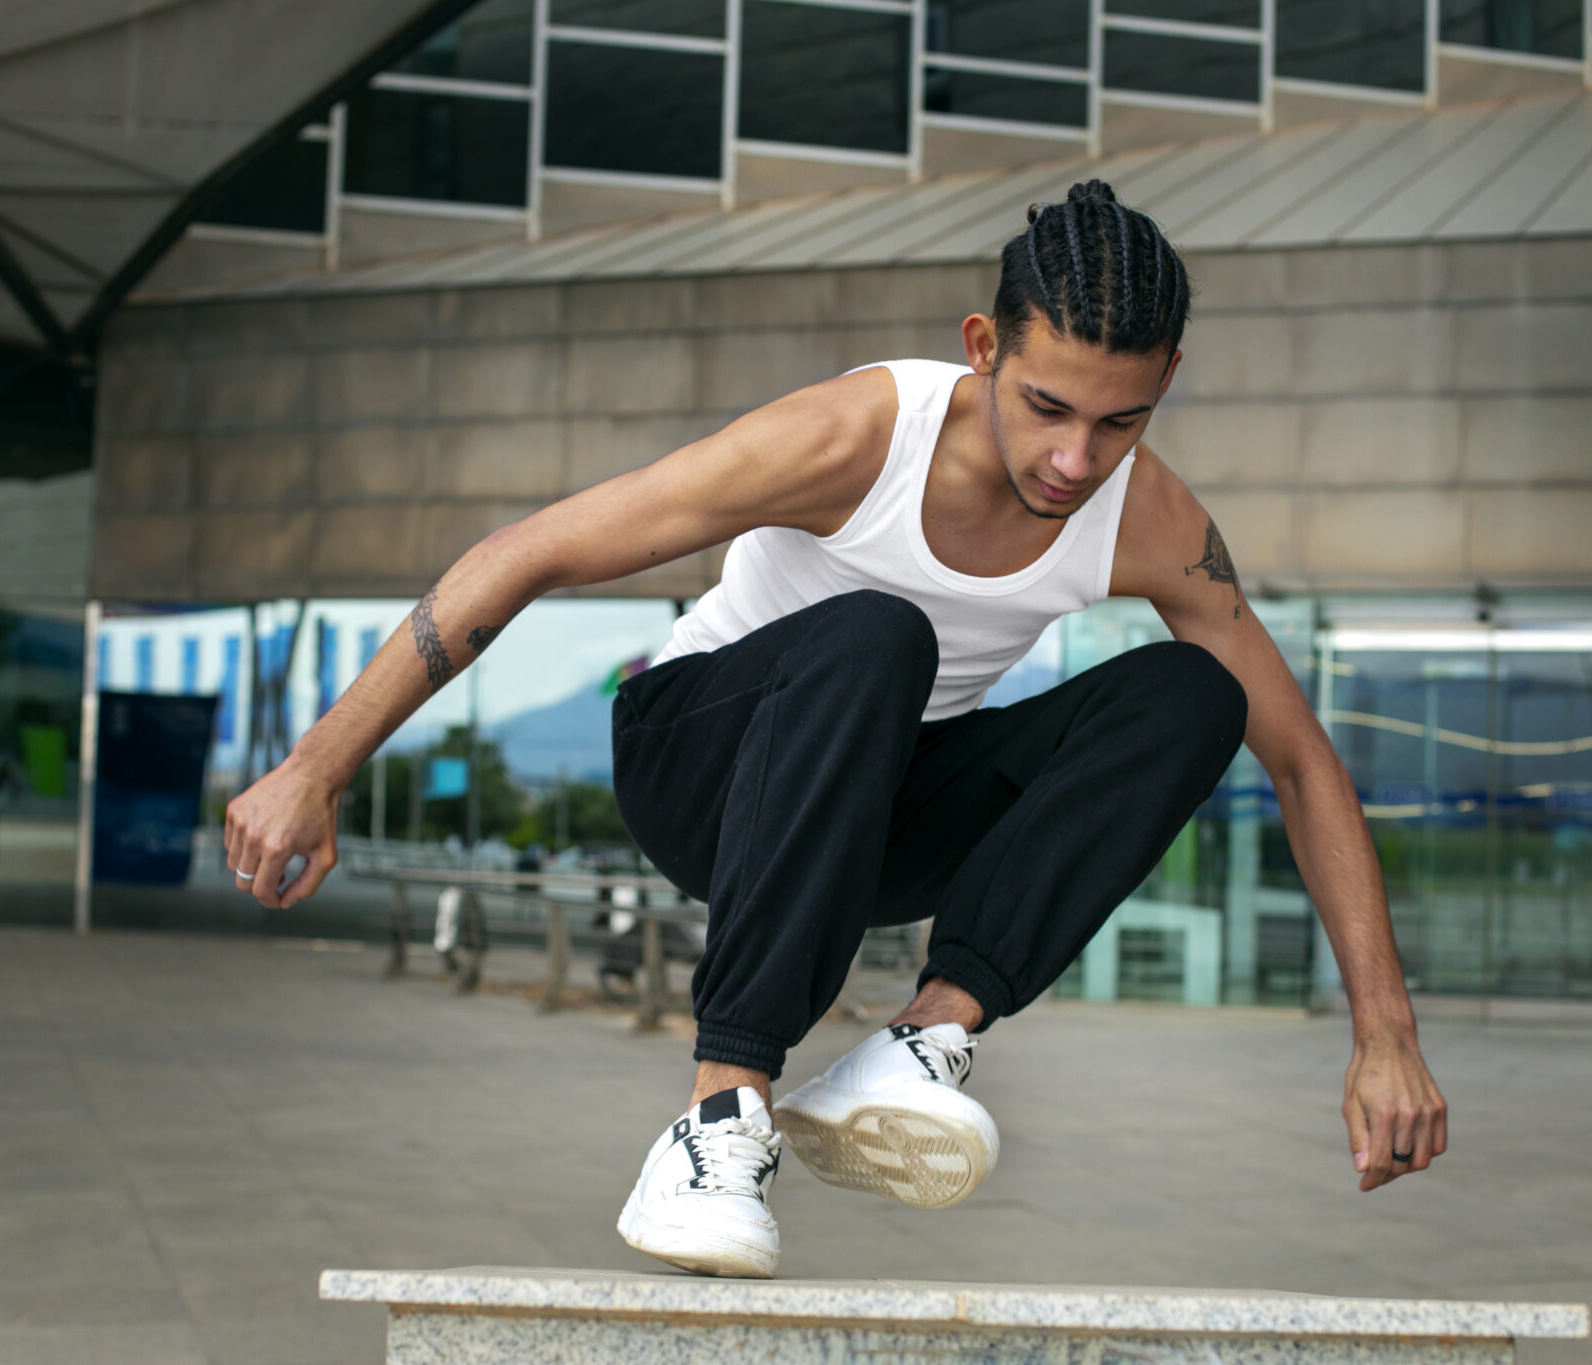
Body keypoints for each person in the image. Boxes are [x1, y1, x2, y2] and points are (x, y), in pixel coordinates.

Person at [225, 180, 1447, 1279]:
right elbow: (530, 553)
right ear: (981, 350)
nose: (1075, 460)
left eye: (1117, 423)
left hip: (867, 822)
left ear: (1163, 383)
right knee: (881, 634)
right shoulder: (854, 438)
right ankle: (713, 1125)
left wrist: (1382, 1038)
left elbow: (1301, 762)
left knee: (1196, 694)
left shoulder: (1152, 520)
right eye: (1045, 408)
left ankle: (918, 1045)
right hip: (698, 760)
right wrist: (316, 766)